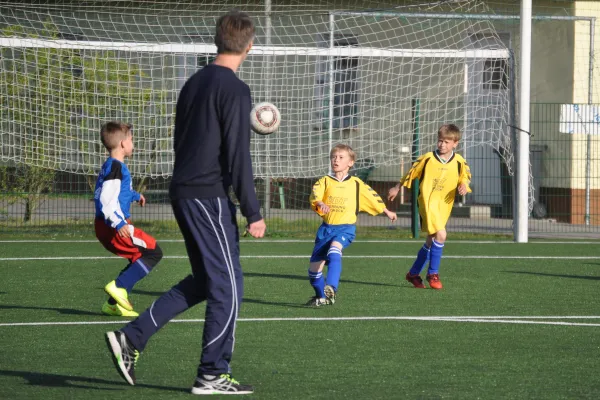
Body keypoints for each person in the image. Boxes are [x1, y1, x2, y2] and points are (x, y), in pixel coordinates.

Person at [104, 10, 266, 395]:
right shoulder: (235, 90)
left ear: (216, 41)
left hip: (185, 192)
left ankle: (132, 337)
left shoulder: (193, 83)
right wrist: (253, 211)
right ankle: (211, 374)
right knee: (228, 286)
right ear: (250, 45)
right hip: (207, 196)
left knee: (207, 282)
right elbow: (238, 156)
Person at [307, 144, 397, 306]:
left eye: (341, 157)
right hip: (326, 229)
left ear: (350, 162)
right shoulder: (324, 181)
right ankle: (323, 297)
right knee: (314, 271)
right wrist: (320, 203)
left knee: (335, 250)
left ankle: (332, 287)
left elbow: (372, 196)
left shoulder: (356, 183)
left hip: (346, 228)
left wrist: (386, 210)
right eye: (334, 157)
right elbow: (315, 195)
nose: (336, 160)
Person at [387, 124, 471, 290]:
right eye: (440, 141)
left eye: (446, 142)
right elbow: (411, 173)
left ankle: (413, 274)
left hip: (444, 204)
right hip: (427, 202)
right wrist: (397, 187)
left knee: (431, 240)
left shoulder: (460, 161)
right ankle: (433, 274)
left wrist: (463, 185)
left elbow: (465, 177)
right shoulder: (427, 159)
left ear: (455, 143)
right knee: (441, 234)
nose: (442, 145)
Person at [94, 121, 163, 317]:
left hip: (108, 225)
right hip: (113, 226)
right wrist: (120, 222)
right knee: (153, 252)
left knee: (138, 256)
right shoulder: (116, 168)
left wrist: (134, 195)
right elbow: (106, 199)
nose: (134, 144)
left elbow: (117, 192)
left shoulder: (113, 166)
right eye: (132, 140)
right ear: (123, 143)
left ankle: (112, 304)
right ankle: (119, 286)